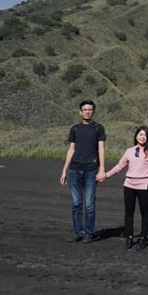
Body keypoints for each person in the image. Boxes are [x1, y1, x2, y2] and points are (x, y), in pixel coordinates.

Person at [103, 126, 148, 250]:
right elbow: (119, 166)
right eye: (140, 134)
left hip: (143, 185)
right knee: (129, 212)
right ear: (136, 136)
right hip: (129, 185)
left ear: (147, 138)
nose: (142, 137)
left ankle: (143, 237)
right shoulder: (129, 151)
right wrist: (106, 175)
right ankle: (129, 237)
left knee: (144, 212)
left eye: (145, 135)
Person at [59, 99, 106, 243]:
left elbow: (101, 149)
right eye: (85, 110)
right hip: (74, 170)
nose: (87, 112)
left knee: (89, 204)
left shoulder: (98, 128)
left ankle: (89, 233)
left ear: (93, 111)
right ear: (80, 112)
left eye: (90, 109)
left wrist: (102, 169)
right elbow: (71, 150)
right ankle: (78, 232)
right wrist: (64, 170)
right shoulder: (75, 129)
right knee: (76, 203)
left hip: (91, 170)